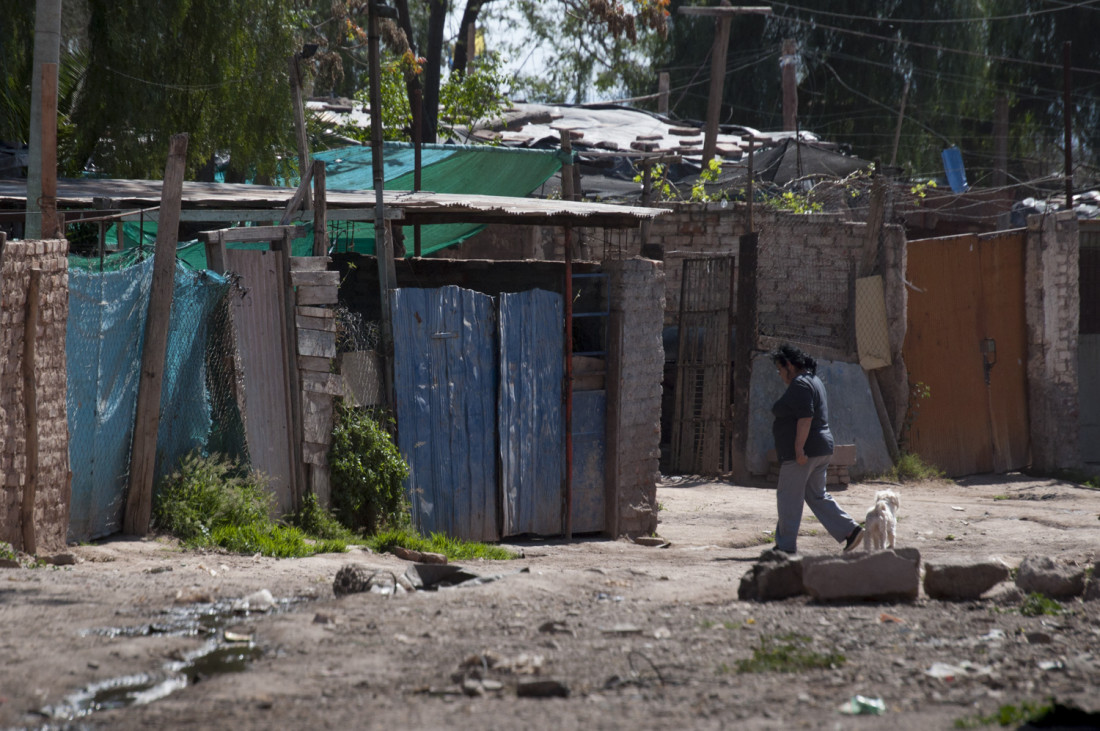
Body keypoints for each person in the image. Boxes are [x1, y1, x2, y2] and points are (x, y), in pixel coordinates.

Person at [770, 344, 862, 554]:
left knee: (788, 497)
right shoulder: (814, 381)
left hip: (806, 452)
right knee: (816, 496)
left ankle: (785, 547)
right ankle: (851, 531)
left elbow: (805, 417)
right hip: (821, 448)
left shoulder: (800, 384)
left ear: (790, 365)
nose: (779, 373)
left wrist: (799, 449)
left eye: (780, 368)